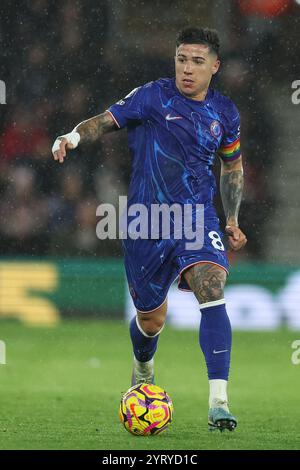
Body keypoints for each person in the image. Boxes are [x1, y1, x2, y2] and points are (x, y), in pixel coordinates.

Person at [52, 27, 247, 432]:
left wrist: (230, 219)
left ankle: (219, 403)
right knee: (151, 321)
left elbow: (232, 166)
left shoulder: (225, 112)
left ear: (215, 66)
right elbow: (103, 121)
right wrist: (72, 135)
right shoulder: (152, 96)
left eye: (197, 61)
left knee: (211, 289)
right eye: (181, 59)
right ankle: (143, 366)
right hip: (146, 223)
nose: (187, 69)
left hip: (197, 219)